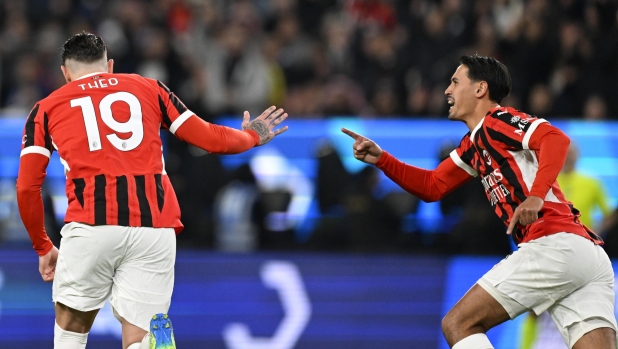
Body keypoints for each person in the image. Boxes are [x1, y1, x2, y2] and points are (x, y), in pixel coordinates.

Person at [15, 32, 288, 349]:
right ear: (110, 66)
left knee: (71, 330)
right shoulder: (150, 89)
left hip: (91, 224)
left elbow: (26, 187)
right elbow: (210, 139)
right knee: (140, 332)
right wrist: (252, 137)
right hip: (154, 227)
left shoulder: (46, 108)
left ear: (65, 73)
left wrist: (42, 246)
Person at [342, 54, 617, 349]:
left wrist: (536, 195)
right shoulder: (474, 144)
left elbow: (555, 139)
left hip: (553, 244)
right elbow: (433, 186)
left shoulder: (496, 122)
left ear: (480, 89)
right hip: (586, 255)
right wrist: (382, 160)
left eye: (455, 82)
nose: (447, 90)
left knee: (458, 324)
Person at [557, 143, 611, 229]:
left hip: (583, 237)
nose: (568, 157)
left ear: (577, 155)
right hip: (553, 237)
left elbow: (608, 215)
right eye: (564, 152)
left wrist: (596, 232)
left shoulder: (592, 182)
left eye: (570, 153)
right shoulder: (548, 181)